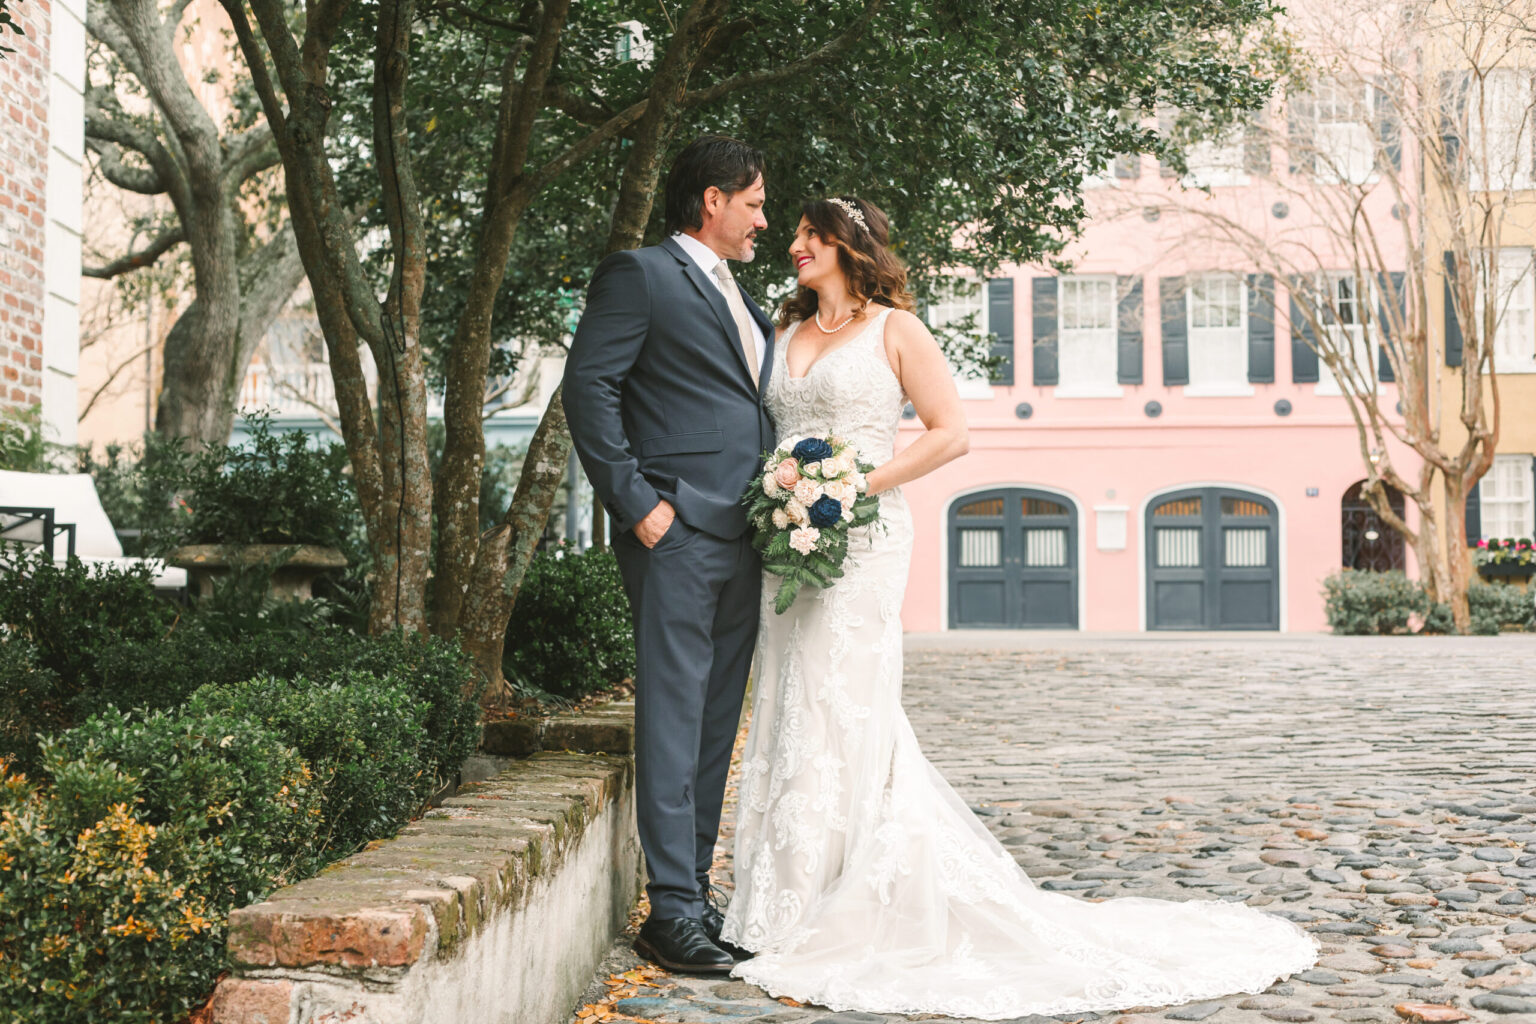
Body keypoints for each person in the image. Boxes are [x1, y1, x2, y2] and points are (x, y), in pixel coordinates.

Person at [719, 194, 1321, 1019]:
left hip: (865, 538)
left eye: (810, 234)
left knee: (846, 699)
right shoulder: (782, 336)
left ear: (849, 247)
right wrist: (788, 493)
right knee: (790, 699)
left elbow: (950, 432)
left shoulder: (896, 329)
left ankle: (848, 894)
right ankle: (777, 901)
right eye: (791, 232)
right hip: (787, 543)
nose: (793, 244)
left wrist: (855, 483)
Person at [563, 135, 776, 973]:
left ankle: (691, 895)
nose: (763, 219)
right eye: (755, 202)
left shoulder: (741, 294)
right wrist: (639, 504)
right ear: (713, 200)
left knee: (715, 722)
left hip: (748, 535)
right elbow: (589, 385)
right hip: (677, 531)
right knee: (673, 714)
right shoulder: (642, 275)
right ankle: (670, 912)